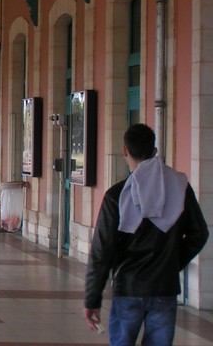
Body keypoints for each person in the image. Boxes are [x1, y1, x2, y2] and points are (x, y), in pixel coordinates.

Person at [84, 123, 208, 345]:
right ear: (154, 150)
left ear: (125, 150)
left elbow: (102, 251)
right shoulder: (180, 188)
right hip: (164, 288)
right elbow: (199, 233)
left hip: (128, 288)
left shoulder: (116, 196)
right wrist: (172, 263)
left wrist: (92, 298)